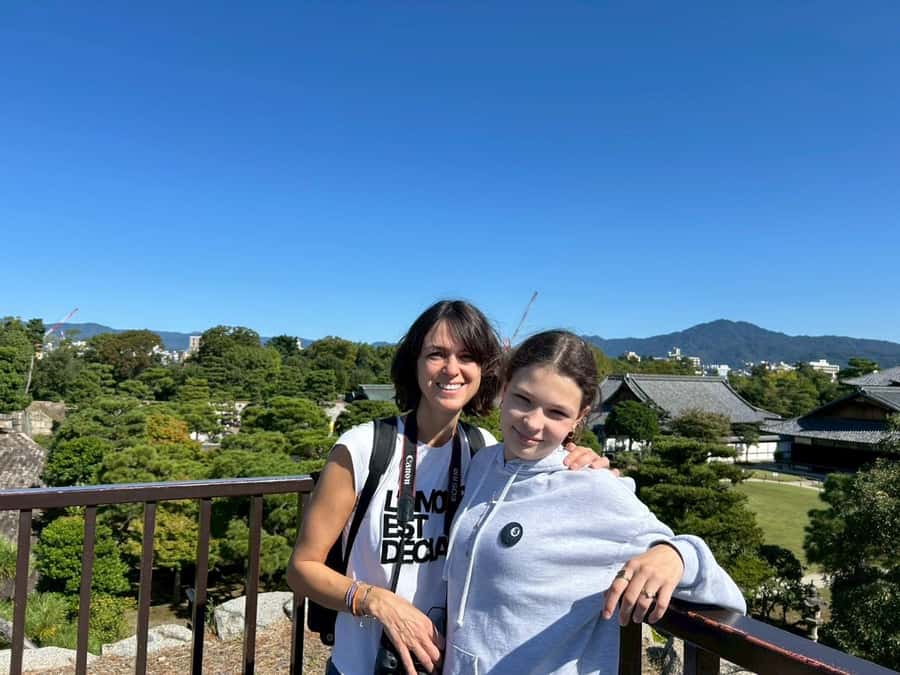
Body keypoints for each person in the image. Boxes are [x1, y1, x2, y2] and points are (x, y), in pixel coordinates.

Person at [287, 302, 608, 675]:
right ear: (415, 362)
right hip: (361, 664)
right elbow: (301, 568)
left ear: (484, 369)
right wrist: (376, 601)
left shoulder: (484, 451)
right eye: (436, 354)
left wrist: (580, 459)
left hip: (451, 663)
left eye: (467, 356)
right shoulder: (364, 447)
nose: (452, 369)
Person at [443, 330, 746, 674]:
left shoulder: (594, 488)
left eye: (556, 412)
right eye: (523, 399)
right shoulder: (483, 464)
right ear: (504, 388)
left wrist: (676, 555)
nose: (532, 422)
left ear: (579, 417)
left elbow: (729, 596)